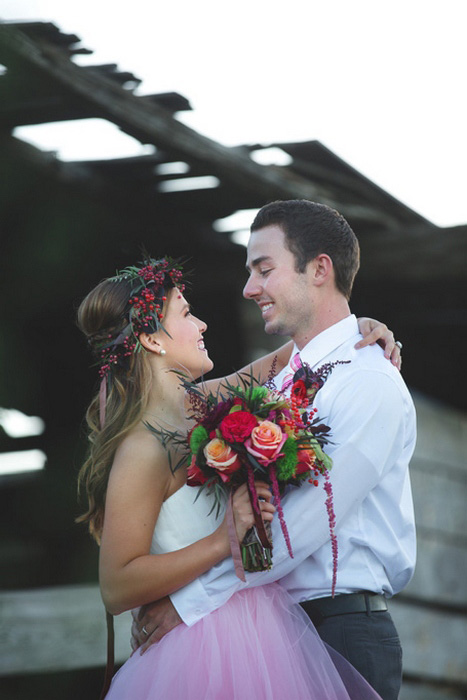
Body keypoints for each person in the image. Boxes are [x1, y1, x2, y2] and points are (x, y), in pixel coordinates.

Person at [132, 202, 416, 700]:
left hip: (339, 630)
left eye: (265, 270)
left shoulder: (369, 380)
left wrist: (188, 604)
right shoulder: (280, 384)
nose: (248, 288)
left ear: (320, 269)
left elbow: (302, 523)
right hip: (270, 632)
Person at [76, 256, 394, 699]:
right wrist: (222, 541)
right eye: (186, 314)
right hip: (198, 649)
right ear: (151, 339)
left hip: (264, 627)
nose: (203, 324)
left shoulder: (201, 407)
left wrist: (361, 328)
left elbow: (300, 354)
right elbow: (116, 586)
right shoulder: (143, 446)